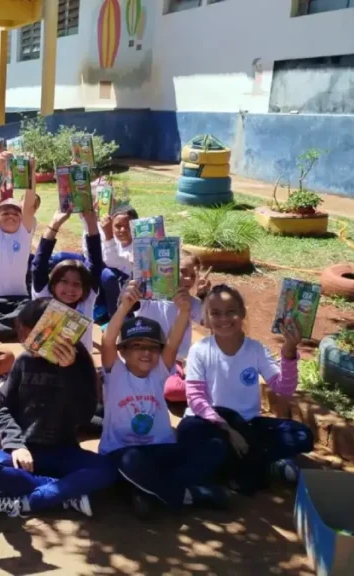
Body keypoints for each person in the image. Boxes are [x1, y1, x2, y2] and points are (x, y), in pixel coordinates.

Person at [0, 298, 116, 519]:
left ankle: (32, 500)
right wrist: (16, 445)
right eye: (25, 337)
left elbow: (84, 414)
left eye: (38, 337)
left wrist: (68, 372)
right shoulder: (23, 362)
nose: (30, 344)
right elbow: (5, 408)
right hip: (26, 453)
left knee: (107, 469)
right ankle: (65, 494)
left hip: (64, 451)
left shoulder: (80, 364)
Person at [100, 282, 228, 518]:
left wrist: (184, 312)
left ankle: (145, 491)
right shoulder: (114, 373)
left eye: (151, 347)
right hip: (123, 452)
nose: (146, 353)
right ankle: (187, 495)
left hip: (161, 450)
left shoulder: (160, 371)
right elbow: (107, 342)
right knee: (129, 462)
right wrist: (125, 306)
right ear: (123, 351)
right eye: (137, 346)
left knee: (215, 449)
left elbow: (173, 342)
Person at [176, 284, 314, 495]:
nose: (224, 319)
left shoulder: (255, 350)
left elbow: (284, 388)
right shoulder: (200, 350)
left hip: (247, 425)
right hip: (207, 423)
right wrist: (228, 430)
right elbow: (196, 401)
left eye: (231, 312)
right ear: (207, 317)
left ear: (241, 313)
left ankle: (243, 464)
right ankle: (257, 462)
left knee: (301, 435)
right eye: (216, 313)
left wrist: (288, 352)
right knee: (207, 443)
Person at [137, 253, 212, 402]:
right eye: (183, 272)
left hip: (173, 364)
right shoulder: (148, 297)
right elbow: (125, 303)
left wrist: (205, 296)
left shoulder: (191, 302)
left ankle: (208, 387)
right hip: (144, 357)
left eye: (193, 276)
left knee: (171, 390)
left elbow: (209, 322)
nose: (189, 279)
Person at [0, 152, 38, 342]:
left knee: (30, 312)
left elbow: (29, 204)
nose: (11, 215)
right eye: (5, 212)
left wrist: (31, 170)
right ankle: (1, 328)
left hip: (18, 300)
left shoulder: (24, 233)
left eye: (16, 212)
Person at [31, 205, 105, 352]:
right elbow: (39, 264)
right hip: (45, 366)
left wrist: (91, 222)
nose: (70, 289)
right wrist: (54, 224)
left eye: (77, 284)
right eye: (64, 282)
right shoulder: (44, 296)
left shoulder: (87, 300)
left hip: (80, 368)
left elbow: (95, 261)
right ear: (53, 285)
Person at [96, 207, 138, 319]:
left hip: (125, 289)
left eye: (128, 226)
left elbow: (113, 262)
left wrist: (109, 236)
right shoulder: (110, 237)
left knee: (109, 275)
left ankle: (116, 316)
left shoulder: (138, 247)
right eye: (118, 226)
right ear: (111, 226)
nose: (123, 230)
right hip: (106, 288)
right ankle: (99, 305)